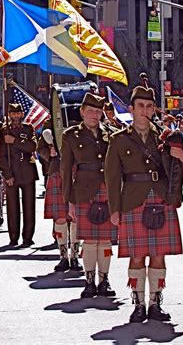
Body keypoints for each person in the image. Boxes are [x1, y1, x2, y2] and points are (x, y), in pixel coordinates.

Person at [105, 86, 183, 323]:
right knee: (136, 255)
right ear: (131, 109)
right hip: (133, 200)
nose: (145, 110)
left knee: (158, 254)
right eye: (140, 106)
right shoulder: (118, 140)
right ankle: (139, 304)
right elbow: (112, 178)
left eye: (149, 106)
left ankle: (155, 303)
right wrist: (114, 209)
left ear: (154, 109)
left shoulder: (164, 137)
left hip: (161, 198)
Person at [60, 93, 117, 298]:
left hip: (107, 190)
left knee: (106, 241)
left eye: (98, 111)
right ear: (82, 111)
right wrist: (69, 201)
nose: (95, 115)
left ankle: (104, 280)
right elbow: (66, 170)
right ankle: (89, 281)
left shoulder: (111, 134)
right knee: (90, 241)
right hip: (83, 191)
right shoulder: (71, 135)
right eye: (91, 111)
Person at [38, 118, 82, 272]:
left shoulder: (79, 120)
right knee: (60, 217)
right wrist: (48, 153)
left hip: (77, 171)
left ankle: (75, 257)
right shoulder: (50, 123)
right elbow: (40, 147)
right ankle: (63, 257)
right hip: (56, 170)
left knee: (75, 217)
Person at [0, 103, 38, 247]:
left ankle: (28, 236)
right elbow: (1, 157)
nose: (15, 116)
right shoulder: (4, 131)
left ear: (22, 114)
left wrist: (15, 141)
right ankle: (13, 236)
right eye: (12, 113)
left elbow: (32, 147)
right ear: (9, 115)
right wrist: (7, 175)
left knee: (29, 206)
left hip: (27, 172)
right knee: (12, 207)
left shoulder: (28, 129)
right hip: (12, 172)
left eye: (18, 113)